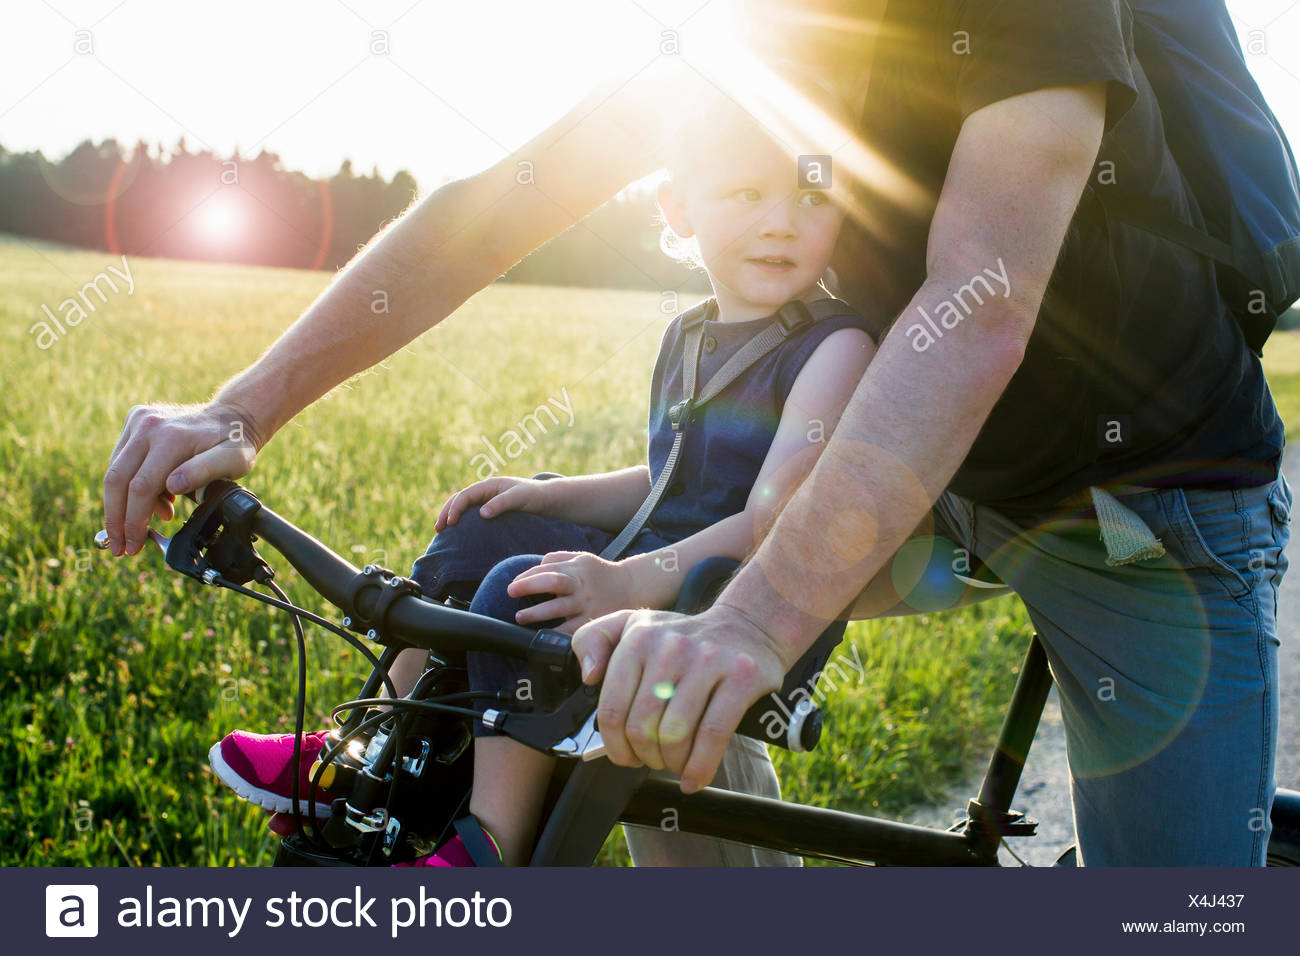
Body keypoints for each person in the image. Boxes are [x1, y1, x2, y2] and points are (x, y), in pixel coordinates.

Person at [104, 1, 1291, 866]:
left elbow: (978, 302)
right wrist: (239, 405)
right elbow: (498, 205)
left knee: (1168, 911)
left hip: (1137, 508)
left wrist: (755, 617)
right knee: (625, 625)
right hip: (904, 460)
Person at [203, 94, 879, 866]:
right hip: (658, 563)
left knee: (516, 590)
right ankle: (363, 751)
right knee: (478, 537)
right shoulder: (691, 334)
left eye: (812, 195)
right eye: (747, 193)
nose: (781, 222)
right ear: (680, 208)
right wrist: (548, 494)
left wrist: (625, 581)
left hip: (741, 594)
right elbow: (668, 483)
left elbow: (785, 518)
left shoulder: (835, 346)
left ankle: (490, 845)